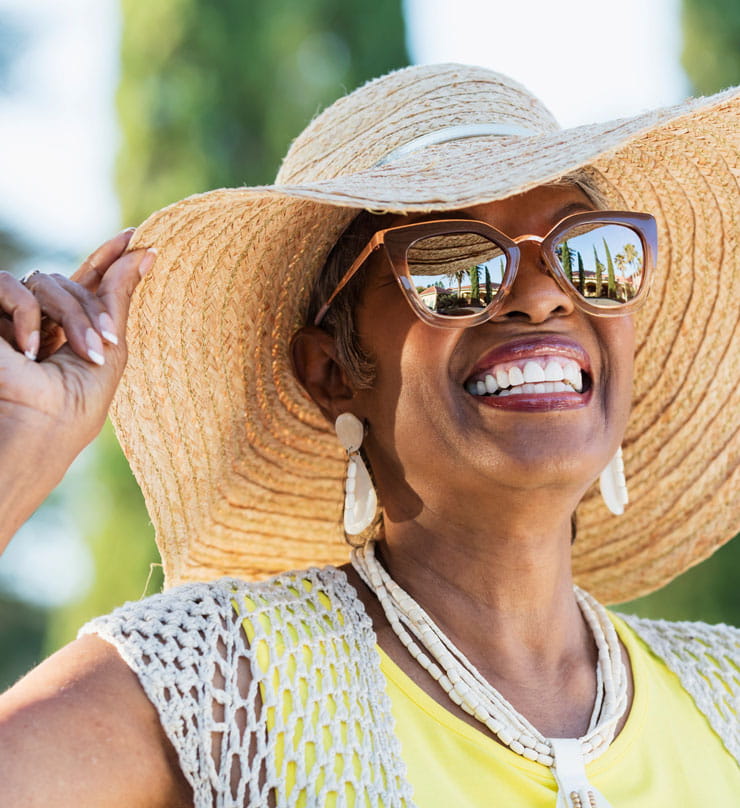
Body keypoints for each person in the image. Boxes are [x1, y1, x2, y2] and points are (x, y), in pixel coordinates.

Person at [0, 63, 738, 807]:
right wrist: (13, 457)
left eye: (589, 255)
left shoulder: (728, 699)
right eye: (455, 264)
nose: (544, 295)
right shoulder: (215, 684)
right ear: (332, 372)